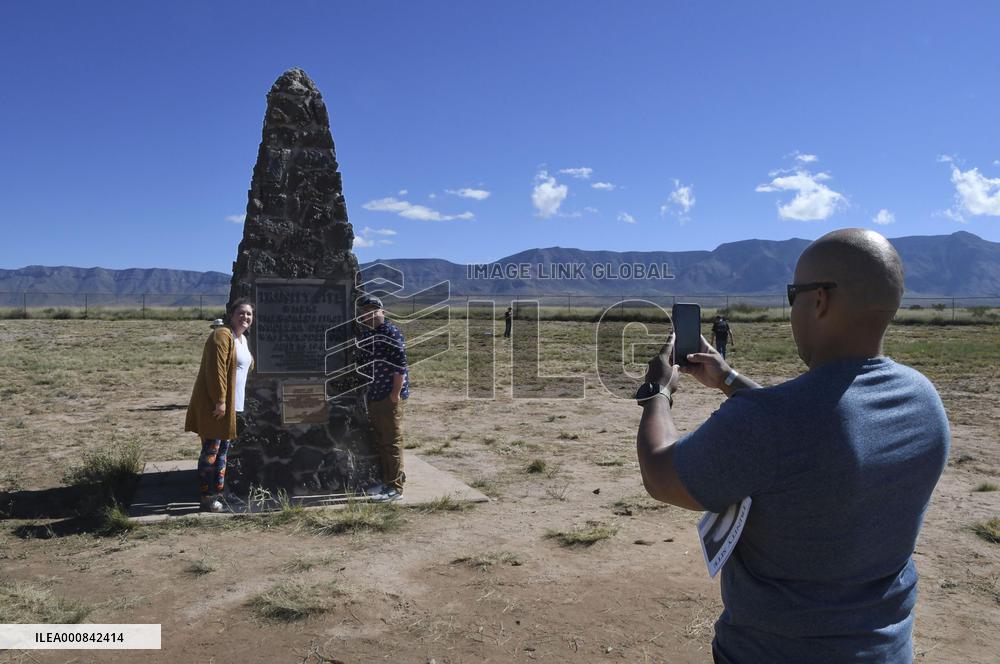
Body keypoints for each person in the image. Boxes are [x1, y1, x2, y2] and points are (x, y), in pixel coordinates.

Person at [635, 229, 949, 663]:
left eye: (792, 294)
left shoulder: (771, 423)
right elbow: (813, 424)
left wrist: (657, 392)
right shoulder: (924, 399)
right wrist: (727, 378)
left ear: (819, 300)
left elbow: (661, 474)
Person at [185, 299, 255, 512]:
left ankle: (218, 493)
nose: (245, 317)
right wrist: (220, 401)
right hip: (217, 407)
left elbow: (244, 368)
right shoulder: (222, 335)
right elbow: (216, 371)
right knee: (211, 452)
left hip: (232, 406)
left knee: (222, 451)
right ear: (231, 314)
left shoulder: (241, 339)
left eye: (249, 314)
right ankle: (207, 497)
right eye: (241, 313)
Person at [356, 295, 409, 501]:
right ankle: (388, 481)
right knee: (382, 440)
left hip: (389, 396)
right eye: (366, 311)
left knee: (392, 441)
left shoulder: (390, 333)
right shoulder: (371, 334)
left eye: (374, 310)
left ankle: (395, 489)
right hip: (375, 394)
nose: (369, 314)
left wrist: (394, 395)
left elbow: (400, 366)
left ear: (382, 312)